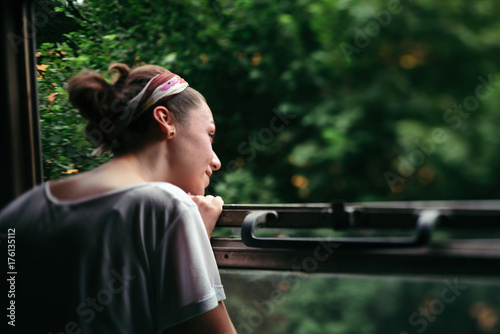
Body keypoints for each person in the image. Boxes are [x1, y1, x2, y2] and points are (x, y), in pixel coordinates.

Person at [0, 63, 237, 333]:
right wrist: (194, 236)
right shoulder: (167, 207)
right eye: (210, 134)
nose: (216, 161)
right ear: (165, 120)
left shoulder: (22, 209)